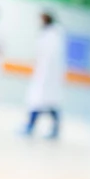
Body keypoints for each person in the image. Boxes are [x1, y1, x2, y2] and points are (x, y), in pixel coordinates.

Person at [24, 12, 65, 140]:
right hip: (45, 75)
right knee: (44, 102)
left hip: (47, 76)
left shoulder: (52, 36)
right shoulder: (49, 35)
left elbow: (48, 57)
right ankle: (34, 127)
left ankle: (31, 127)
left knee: (40, 101)